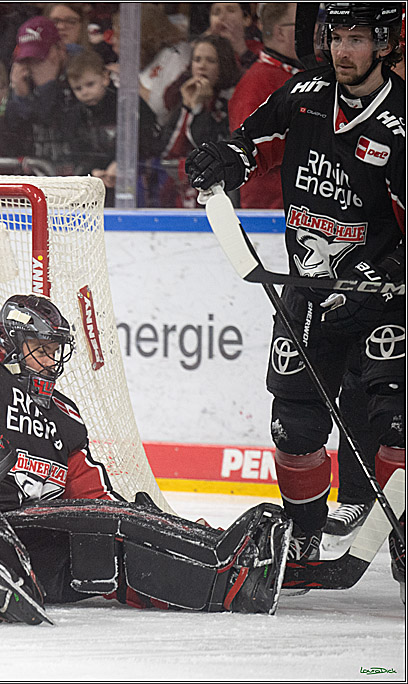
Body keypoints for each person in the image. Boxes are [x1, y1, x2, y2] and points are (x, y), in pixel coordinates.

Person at [0, 294, 293, 623]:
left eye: (55, 350)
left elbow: (95, 499)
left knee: (109, 533)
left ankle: (230, 576)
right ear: (8, 344)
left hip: (20, 541)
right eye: (39, 349)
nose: (50, 362)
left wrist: (163, 531)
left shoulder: (64, 416)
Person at [186, 3, 405, 597]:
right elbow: (247, 144)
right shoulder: (302, 94)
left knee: (397, 424)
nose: (344, 51)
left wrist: (378, 273)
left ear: (385, 44)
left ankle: (401, 535)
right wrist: (220, 161)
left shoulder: (402, 123)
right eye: (337, 38)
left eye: (358, 39)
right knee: (294, 425)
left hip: (384, 299)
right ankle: (303, 540)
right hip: (309, 292)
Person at [228, 2, 302, 209]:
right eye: (303, 24)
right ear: (280, 32)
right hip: (273, 214)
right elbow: (248, 155)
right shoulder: (257, 84)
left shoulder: (294, 76)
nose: (314, 30)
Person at [63, 50, 162, 204]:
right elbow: (76, 150)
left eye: (90, 84)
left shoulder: (128, 103)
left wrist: (123, 164)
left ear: (105, 78)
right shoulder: (74, 115)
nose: (85, 92)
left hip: (138, 183)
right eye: (78, 88)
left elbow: (148, 138)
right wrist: (93, 171)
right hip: (95, 189)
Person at [160, 34, 241, 208]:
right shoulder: (184, 96)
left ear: (223, 65)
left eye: (210, 60)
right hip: (184, 195)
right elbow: (167, 150)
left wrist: (199, 109)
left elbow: (207, 145)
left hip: (222, 196)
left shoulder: (234, 100)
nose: (202, 66)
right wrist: (189, 107)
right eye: (197, 59)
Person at [0, 15, 77, 173]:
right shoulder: (23, 83)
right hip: (34, 178)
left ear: (60, 49)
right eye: (28, 59)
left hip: (73, 177)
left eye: (39, 59)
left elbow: (72, 132)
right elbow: (8, 146)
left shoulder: (80, 76)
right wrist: (20, 97)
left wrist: (48, 87)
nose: (32, 66)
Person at [207, 2, 261, 72]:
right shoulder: (202, 53)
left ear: (246, 20)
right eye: (216, 13)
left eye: (230, 10)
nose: (222, 17)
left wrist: (240, 49)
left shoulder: (260, 52)